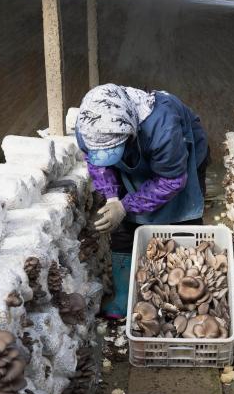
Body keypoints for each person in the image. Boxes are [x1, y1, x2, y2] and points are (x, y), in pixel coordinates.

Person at [75, 84, 209, 318]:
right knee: (123, 226)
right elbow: (97, 161)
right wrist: (113, 197)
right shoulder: (88, 126)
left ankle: (184, 296)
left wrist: (126, 206)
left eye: (113, 147)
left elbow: (172, 180)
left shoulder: (162, 127)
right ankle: (124, 299)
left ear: (129, 132)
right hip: (133, 154)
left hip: (179, 160)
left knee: (181, 219)